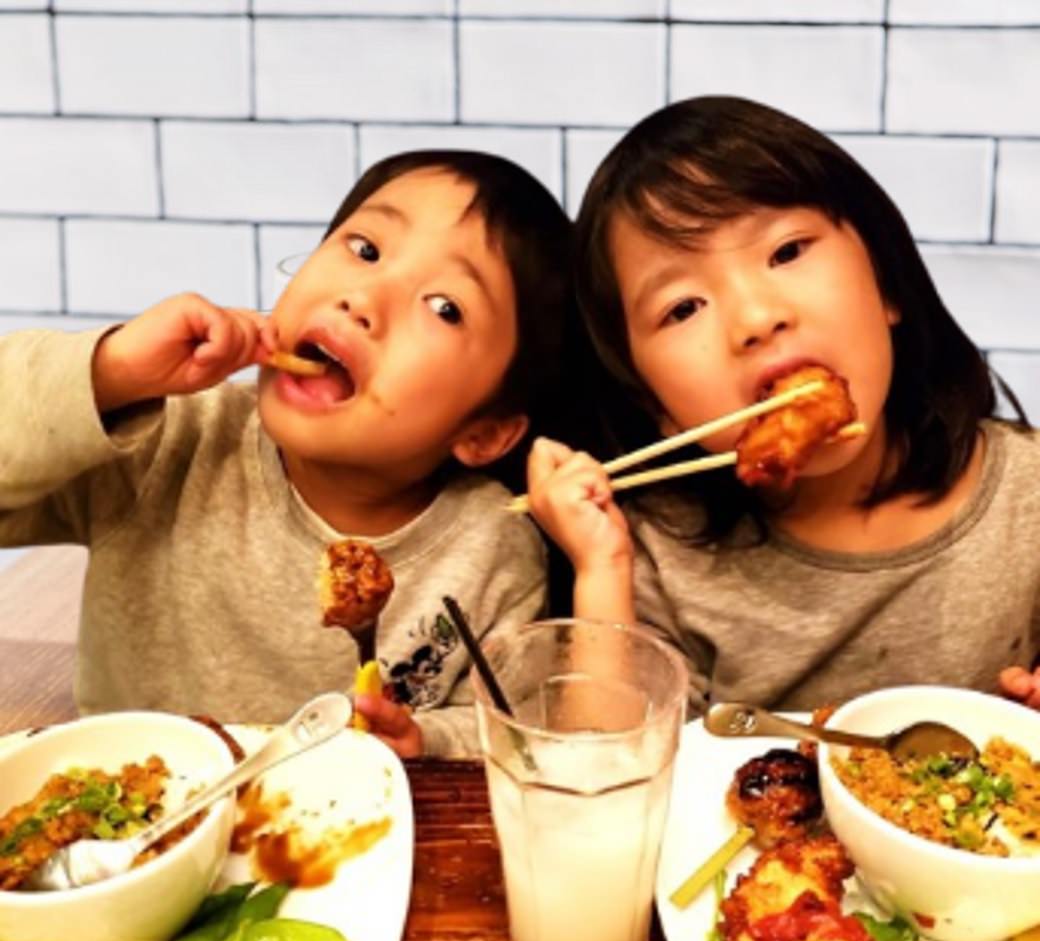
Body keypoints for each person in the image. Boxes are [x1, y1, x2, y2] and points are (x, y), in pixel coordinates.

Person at [0, 149, 575, 758]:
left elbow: (514, 732)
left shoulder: (494, 545)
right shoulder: (169, 437)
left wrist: (423, 738)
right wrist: (111, 372)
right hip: (129, 825)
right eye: (366, 250)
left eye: (444, 307)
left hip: (349, 837)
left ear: (485, 433)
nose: (364, 298)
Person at [525, 95, 1040, 715]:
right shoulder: (657, 554)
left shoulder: (1027, 498)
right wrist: (601, 568)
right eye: (683, 307)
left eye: (787, 251)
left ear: (888, 285)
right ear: (654, 404)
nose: (756, 318)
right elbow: (603, 779)